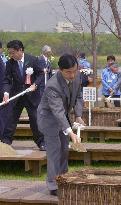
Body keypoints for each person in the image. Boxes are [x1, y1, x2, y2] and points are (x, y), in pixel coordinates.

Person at [37, 54, 85, 196]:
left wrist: (78, 115)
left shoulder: (77, 77)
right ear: (60, 70)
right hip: (48, 119)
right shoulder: (52, 85)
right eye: (68, 72)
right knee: (54, 151)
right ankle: (53, 185)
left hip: (62, 117)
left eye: (74, 71)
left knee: (64, 149)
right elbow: (57, 111)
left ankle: (63, 178)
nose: (72, 75)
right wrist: (70, 132)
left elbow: (78, 96)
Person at [1, 40, 45, 151]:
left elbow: (41, 74)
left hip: (32, 95)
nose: (10, 55)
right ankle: (5, 141)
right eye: (9, 53)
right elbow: (6, 80)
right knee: (11, 118)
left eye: (12, 53)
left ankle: (41, 142)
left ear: (20, 50)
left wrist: (35, 84)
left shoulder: (33, 60)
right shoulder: (10, 63)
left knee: (35, 119)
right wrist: (6, 93)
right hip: (17, 96)